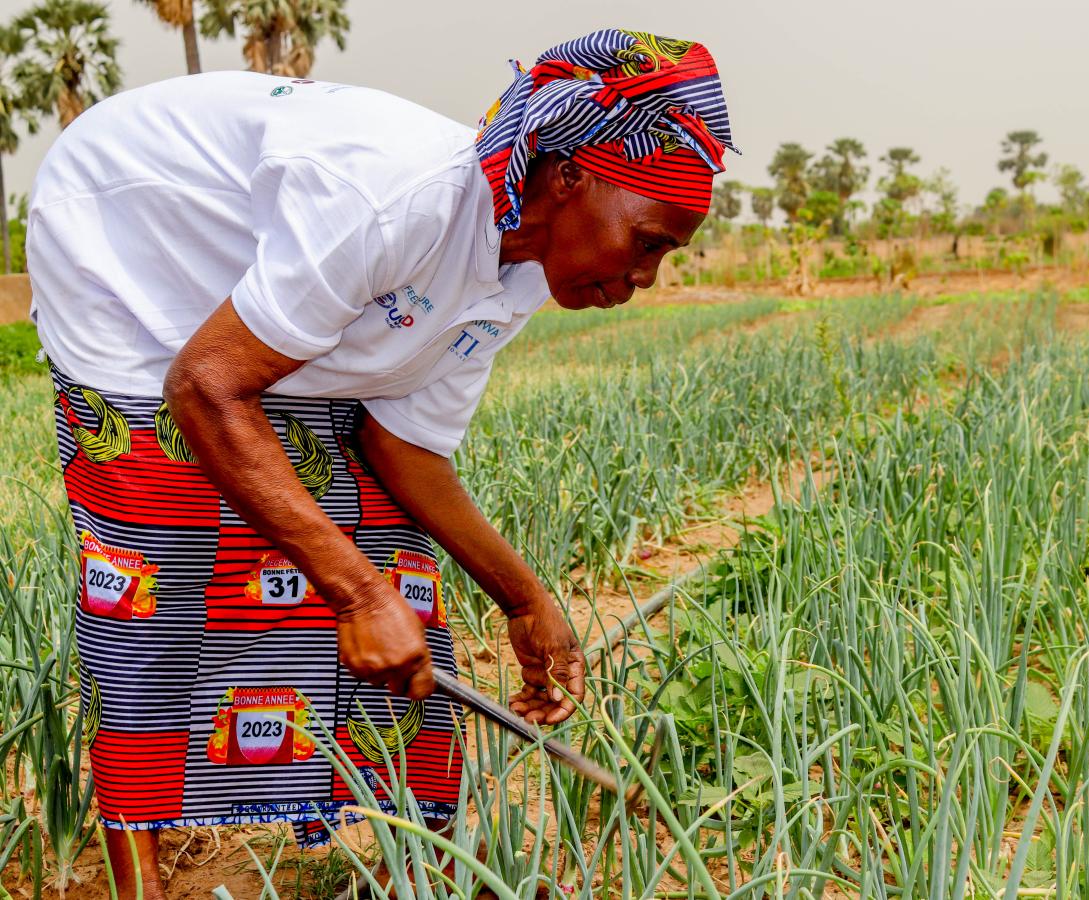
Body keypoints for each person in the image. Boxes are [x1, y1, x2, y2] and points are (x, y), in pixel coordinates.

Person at [26, 28, 735, 898]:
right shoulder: (396, 200)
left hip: (256, 324)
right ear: (569, 178)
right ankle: (136, 872)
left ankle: (431, 869)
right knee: (165, 555)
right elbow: (208, 386)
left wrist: (526, 599)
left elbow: (403, 445)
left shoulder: (516, 271)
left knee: (396, 563)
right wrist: (354, 595)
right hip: (130, 253)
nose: (651, 275)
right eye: (650, 240)